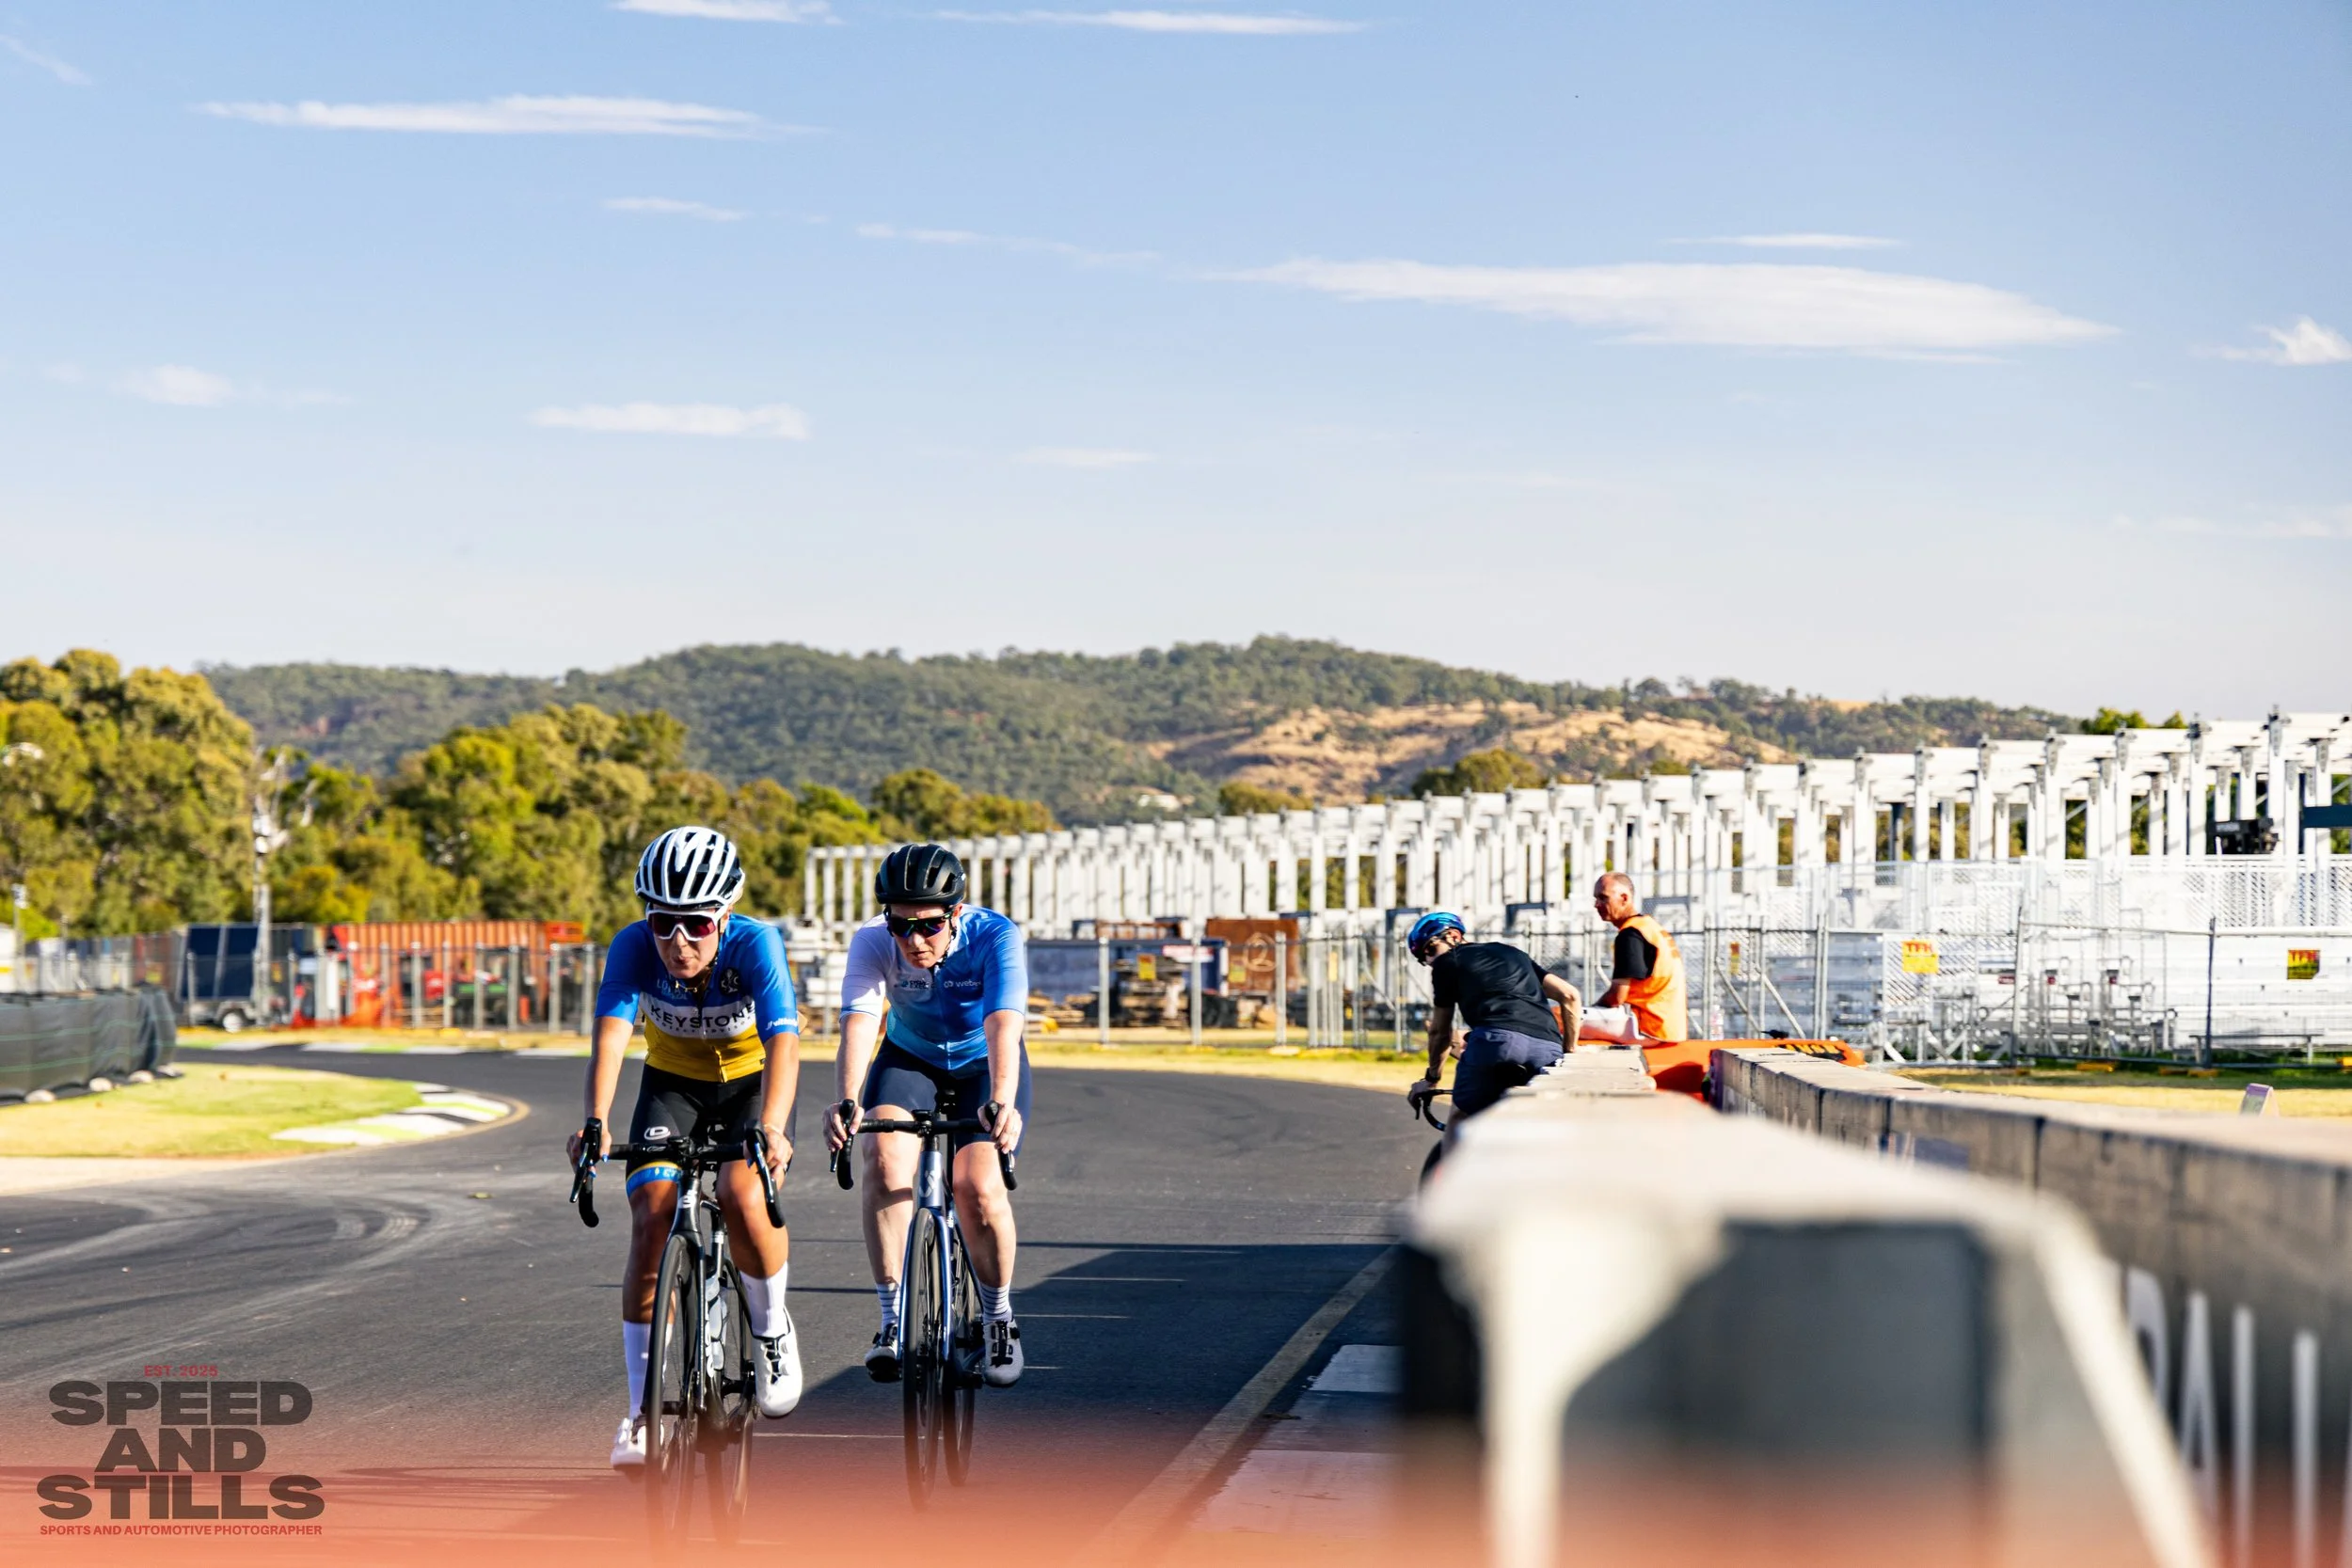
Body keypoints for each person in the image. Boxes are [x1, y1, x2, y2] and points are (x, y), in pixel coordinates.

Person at [571, 826, 804, 1470]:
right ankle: (642, 1412)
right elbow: (613, 1034)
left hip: (747, 1086)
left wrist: (775, 1125)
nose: (678, 942)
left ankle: (772, 1328)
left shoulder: (757, 943)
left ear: (724, 916)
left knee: (739, 1190)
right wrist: (595, 1119)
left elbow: (785, 1038)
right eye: (663, 922)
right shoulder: (631, 947)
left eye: (697, 925)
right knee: (650, 1209)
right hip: (673, 1085)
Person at [824, 843, 1030, 1388]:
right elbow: (859, 1021)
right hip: (909, 1056)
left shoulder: (995, 936)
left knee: (978, 1185)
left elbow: (1004, 1024)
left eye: (930, 927)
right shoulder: (873, 941)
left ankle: (998, 1317)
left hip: (983, 1062)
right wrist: (849, 1100)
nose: (913, 941)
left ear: (956, 914)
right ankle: (892, 1319)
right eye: (901, 925)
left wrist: (1003, 1100)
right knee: (884, 1158)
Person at [1405, 911, 1581, 1130]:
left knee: (1460, 1118)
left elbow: (1440, 1032)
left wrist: (1431, 1078)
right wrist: (1570, 1051)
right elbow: (1570, 995)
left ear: (1453, 936)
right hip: (1547, 1048)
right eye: (1424, 959)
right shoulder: (1514, 953)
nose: (1430, 960)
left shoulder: (1447, 963)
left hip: (1496, 1043)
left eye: (1431, 950)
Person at [1579, 872, 1690, 1043]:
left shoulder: (1631, 934)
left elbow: (1617, 997)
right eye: (1596, 898)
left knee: (1561, 1017)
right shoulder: (1649, 926)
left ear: (1624, 898)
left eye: (1603, 898)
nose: (1597, 904)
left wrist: (1590, 1010)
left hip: (1646, 1026)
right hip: (1670, 1026)